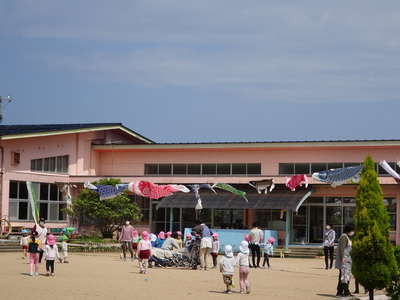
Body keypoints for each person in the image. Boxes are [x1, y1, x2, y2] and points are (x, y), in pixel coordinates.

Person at [335, 223, 355, 298]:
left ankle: (340, 292)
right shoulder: (344, 237)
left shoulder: (347, 237)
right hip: (344, 260)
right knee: (344, 276)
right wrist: (343, 257)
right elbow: (341, 248)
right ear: (348, 230)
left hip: (347, 259)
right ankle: (345, 292)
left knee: (344, 276)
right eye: (352, 230)